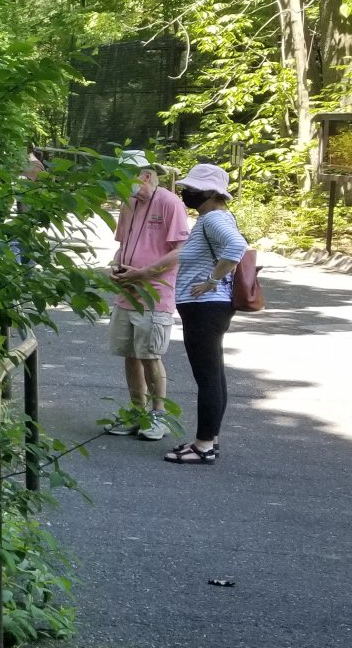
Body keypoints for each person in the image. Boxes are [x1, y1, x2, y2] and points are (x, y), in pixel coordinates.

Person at [164, 163, 247, 464]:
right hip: (209, 308)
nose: (186, 193)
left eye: (193, 190)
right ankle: (210, 438)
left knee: (208, 376)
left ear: (212, 193)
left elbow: (237, 245)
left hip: (205, 308)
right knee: (215, 375)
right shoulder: (219, 216)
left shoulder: (213, 218)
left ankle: (203, 445)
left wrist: (211, 281)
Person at [106, 151, 187, 441]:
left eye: (127, 177)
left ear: (146, 175)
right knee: (130, 354)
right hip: (126, 292)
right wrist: (114, 267)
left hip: (154, 295)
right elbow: (122, 244)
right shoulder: (128, 203)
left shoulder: (169, 202)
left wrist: (143, 273)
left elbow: (181, 250)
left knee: (151, 356)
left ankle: (158, 415)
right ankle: (136, 412)